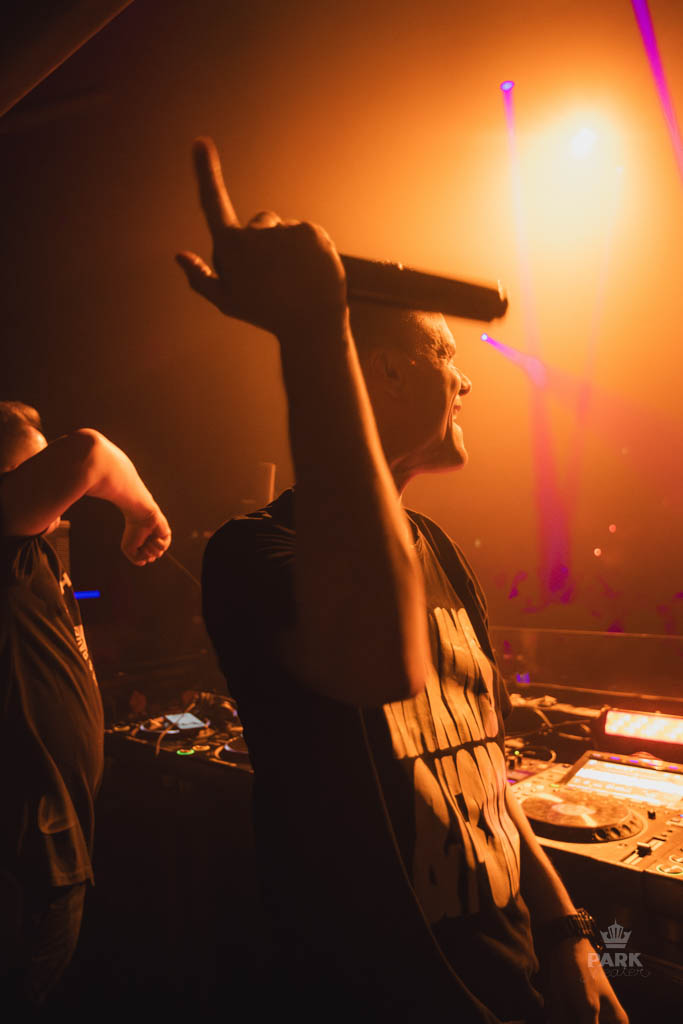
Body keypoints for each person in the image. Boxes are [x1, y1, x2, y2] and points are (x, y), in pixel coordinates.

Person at [177, 138, 628, 1023]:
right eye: (444, 352)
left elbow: (481, 774)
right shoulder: (254, 553)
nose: (467, 380)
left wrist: (567, 933)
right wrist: (313, 332)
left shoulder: (440, 549)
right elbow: (378, 660)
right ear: (381, 369)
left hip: (514, 982)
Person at [0, 401, 171, 1007]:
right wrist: (143, 510)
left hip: (54, 847)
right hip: (25, 859)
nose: (60, 501)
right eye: (31, 473)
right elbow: (91, 453)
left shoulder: (34, 553)